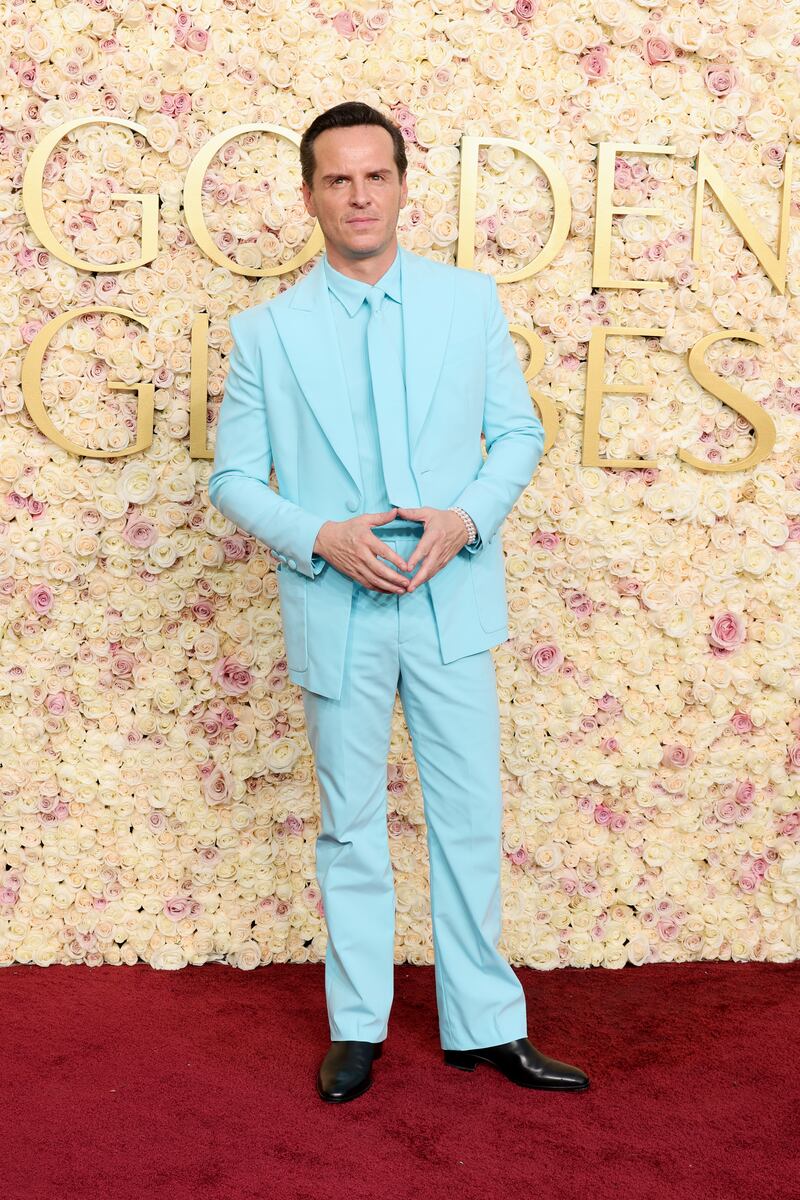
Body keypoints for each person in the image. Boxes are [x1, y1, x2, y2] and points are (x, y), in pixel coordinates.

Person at [208, 100, 589, 1103]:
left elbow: (515, 436)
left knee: (467, 814)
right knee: (348, 825)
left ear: (402, 185)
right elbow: (234, 479)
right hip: (337, 604)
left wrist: (464, 519)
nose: (358, 195)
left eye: (374, 176)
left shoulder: (468, 303)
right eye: (336, 180)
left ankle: (484, 1026)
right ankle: (358, 1026)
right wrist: (319, 537)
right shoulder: (265, 332)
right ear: (308, 197)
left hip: (448, 595)